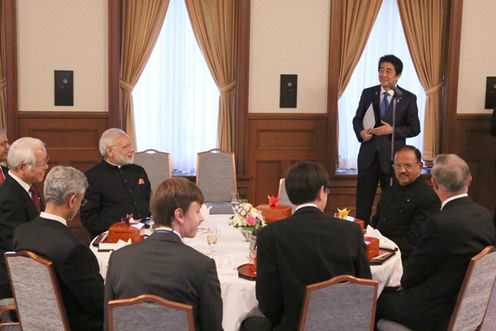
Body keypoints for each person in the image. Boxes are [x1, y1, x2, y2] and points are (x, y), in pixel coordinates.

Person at [246, 161, 371, 331]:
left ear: (290, 196)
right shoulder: (351, 231)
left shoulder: (270, 235)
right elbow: (364, 288)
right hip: (343, 325)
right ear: (321, 191)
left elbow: (268, 302)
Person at [376, 154, 496, 330]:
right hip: (466, 304)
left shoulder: (439, 223)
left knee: (374, 299)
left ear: (434, 184)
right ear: (469, 179)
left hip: (436, 310)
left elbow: (411, 276)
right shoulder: (484, 215)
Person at [104, 177, 222, 331]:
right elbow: (212, 327)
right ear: (179, 215)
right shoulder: (202, 266)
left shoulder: (118, 259)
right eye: (198, 211)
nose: (201, 218)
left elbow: (109, 324)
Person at [13, 166, 104, 331]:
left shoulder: (21, 233)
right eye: (81, 201)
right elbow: (99, 304)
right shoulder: (74, 249)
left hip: (33, 322)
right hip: (74, 325)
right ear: (72, 200)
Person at [353, 54, 421, 224]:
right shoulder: (369, 93)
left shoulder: (407, 98)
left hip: (393, 160)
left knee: (390, 204)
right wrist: (361, 133)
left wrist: (393, 130)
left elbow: (415, 128)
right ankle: (360, 240)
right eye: (381, 70)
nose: (383, 74)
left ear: (397, 76)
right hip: (368, 157)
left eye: (388, 71)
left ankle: (387, 239)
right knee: (363, 204)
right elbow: (357, 119)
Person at [370, 146, 440, 262]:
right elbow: (375, 223)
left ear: (420, 167)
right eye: (398, 166)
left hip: (404, 259)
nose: (402, 170)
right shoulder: (388, 192)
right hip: (379, 252)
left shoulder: (428, 197)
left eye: (408, 165)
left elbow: (415, 240)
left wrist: (383, 250)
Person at [80, 128, 151, 238]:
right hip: (112, 237)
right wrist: (119, 228)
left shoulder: (139, 171)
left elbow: (150, 202)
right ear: (109, 151)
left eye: (131, 145)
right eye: (126, 147)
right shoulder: (92, 177)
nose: (132, 150)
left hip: (146, 233)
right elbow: (89, 218)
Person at [0, 137, 48, 299]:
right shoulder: (8, 197)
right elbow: (15, 244)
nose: (46, 167)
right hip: (15, 278)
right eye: (41, 163)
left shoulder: (28, 187)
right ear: (22, 167)